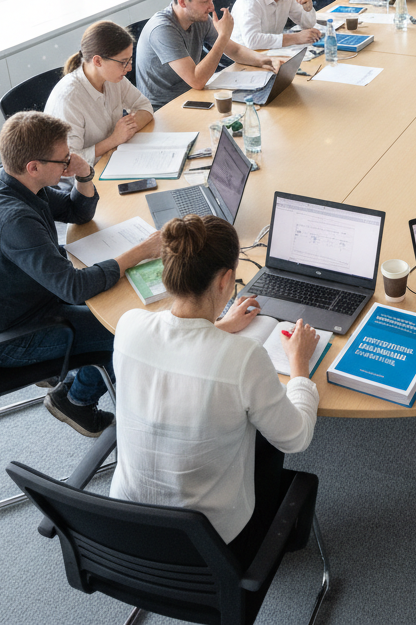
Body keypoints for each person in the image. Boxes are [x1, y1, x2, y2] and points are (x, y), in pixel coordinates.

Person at [110, 214, 319, 559]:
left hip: (127, 528)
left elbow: (176, 348)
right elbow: (297, 438)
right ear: (225, 279)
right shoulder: (244, 360)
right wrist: (299, 365)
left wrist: (218, 326)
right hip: (209, 545)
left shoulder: (130, 326)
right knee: (270, 440)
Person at [0, 112, 162, 437]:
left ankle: (73, 387)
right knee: (125, 330)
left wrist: (83, 174)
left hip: (26, 300)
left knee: (121, 305)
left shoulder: (11, 181)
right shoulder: (15, 220)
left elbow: (76, 212)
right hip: (8, 338)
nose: (69, 162)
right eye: (63, 159)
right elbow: (73, 288)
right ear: (33, 167)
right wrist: (138, 253)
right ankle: (76, 401)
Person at [135, 0, 275, 110]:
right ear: (183, 2)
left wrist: (265, 60)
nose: (211, 7)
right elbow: (196, 80)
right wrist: (224, 36)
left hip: (194, 96)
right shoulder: (162, 30)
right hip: (165, 108)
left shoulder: (199, 18)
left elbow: (235, 50)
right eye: (205, 1)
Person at [44, 20, 154, 165]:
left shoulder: (113, 78)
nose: (129, 68)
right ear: (97, 61)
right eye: (123, 62)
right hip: (81, 179)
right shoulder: (69, 98)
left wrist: (126, 130)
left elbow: (145, 107)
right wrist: (114, 139)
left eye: (130, 60)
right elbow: (68, 162)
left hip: (113, 159)